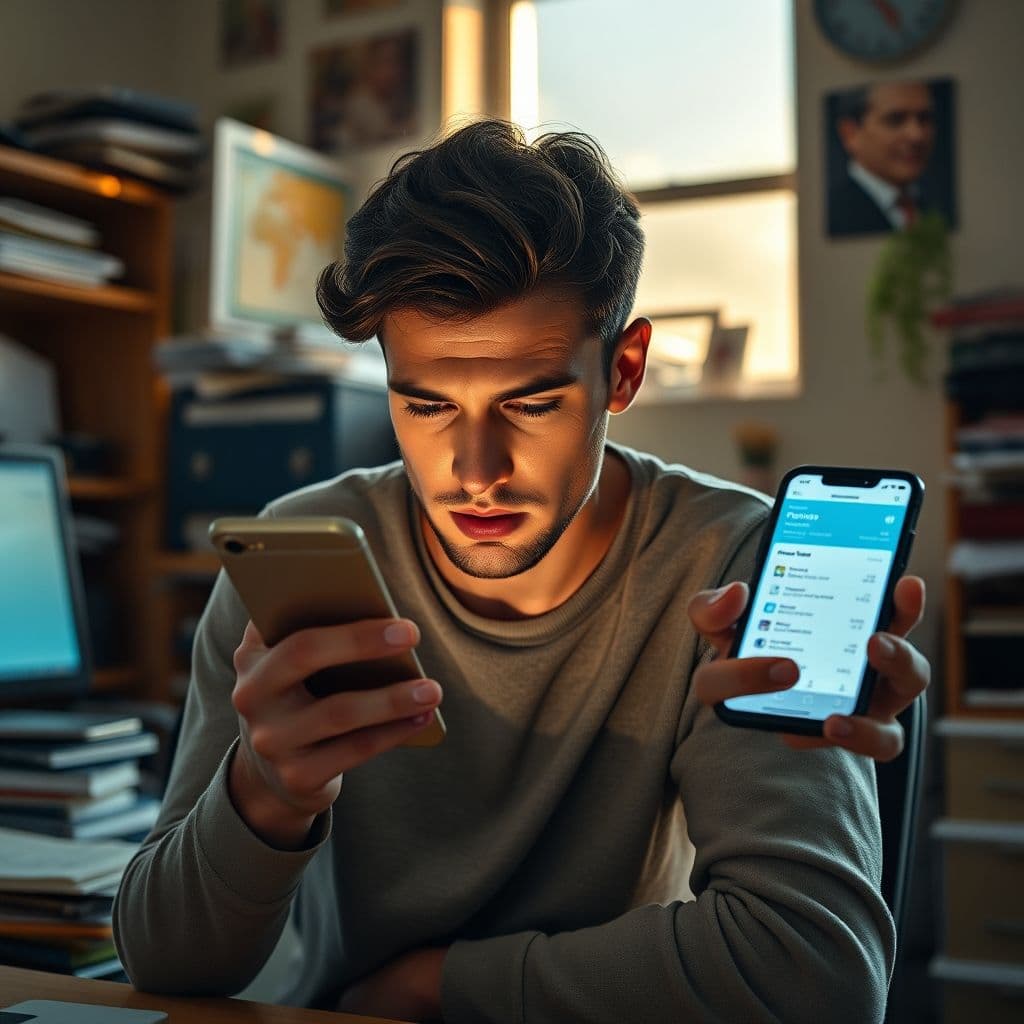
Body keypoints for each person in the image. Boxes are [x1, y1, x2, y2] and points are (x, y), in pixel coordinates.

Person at [115, 119, 929, 1022]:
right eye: (425, 405)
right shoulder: (297, 553)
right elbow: (165, 965)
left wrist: (438, 989)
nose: (473, 471)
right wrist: (265, 796)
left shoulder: (729, 571)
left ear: (623, 372)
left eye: (531, 402)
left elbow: (817, 976)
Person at [828, 80, 939, 237]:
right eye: (895, 120)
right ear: (850, 133)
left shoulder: (932, 208)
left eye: (924, 118)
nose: (917, 135)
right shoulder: (832, 213)